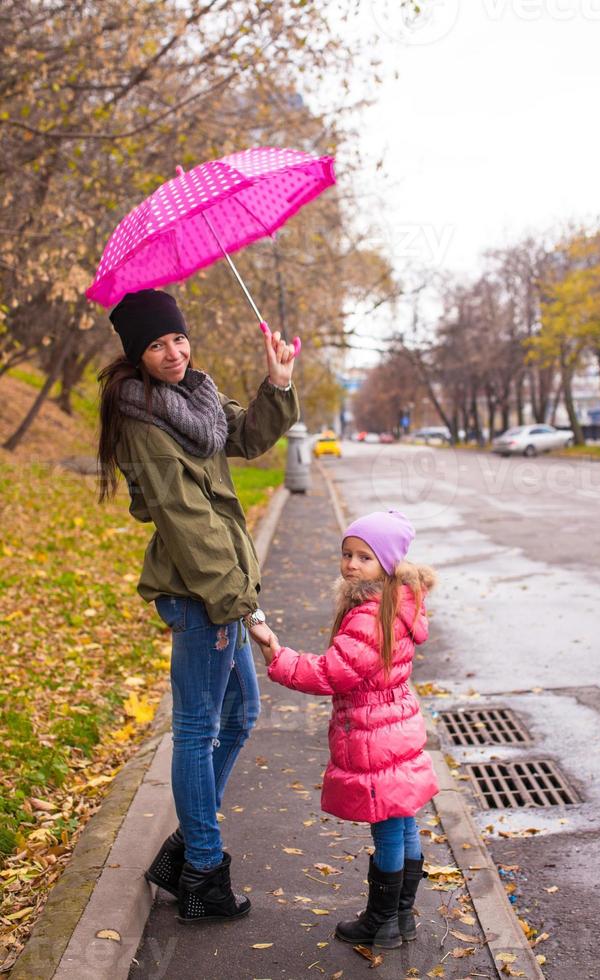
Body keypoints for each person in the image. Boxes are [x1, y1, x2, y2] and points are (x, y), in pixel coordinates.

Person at [96, 288, 299, 923]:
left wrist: (277, 381)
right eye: (156, 345)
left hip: (216, 588)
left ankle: (187, 844)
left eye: (178, 338)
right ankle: (203, 872)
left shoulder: (196, 398)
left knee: (239, 715)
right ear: (137, 354)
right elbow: (189, 526)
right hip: (199, 593)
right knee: (197, 728)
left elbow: (246, 437)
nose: (173, 351)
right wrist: (247, 611)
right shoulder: (143, 421)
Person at [250, 510, 439, 948]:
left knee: (389, 828)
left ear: (387, 565)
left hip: (376, 733)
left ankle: (382, 922)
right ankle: (402, 916)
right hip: (396, 724)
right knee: (404, 820)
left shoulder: (371, 615)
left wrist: (276, 654)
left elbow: (332, 673)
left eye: (364, 557)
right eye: (347, 554)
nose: (351, 564)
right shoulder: (397, 603)